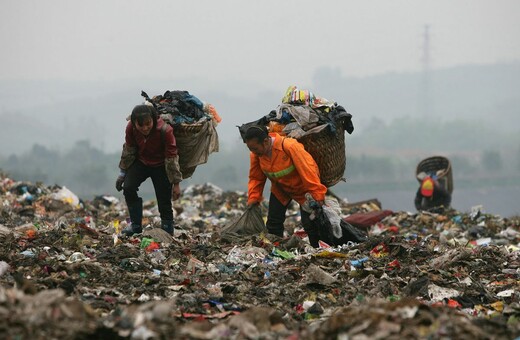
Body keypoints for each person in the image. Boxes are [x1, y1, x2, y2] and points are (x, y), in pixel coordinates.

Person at [244, 125, 327, 247]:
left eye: (255, 148)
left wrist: (317, 195)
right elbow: (256, 178)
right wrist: (253, 198)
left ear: (266, 141)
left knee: (310, 224)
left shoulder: (289, 146)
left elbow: (308, 170)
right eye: (250, 149)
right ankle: (275, 250)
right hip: (281, 189)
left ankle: (316, 250)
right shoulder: (256, 155)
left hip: (303, 190)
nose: (253, 152)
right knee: (273, 222)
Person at [116, 104, 183, 236]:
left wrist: (176, 184)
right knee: (128, 188)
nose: (145, 128)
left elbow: (171, 158)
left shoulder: (165, 130)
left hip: (161, 165)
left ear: (153, 119)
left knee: (164, 198)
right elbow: (128, 150)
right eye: (141, 125)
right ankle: (135, 225)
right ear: (135, 124)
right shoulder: (131, 128)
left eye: (148, 124)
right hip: (141, 162)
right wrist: (122, 174)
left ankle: (167, 229)